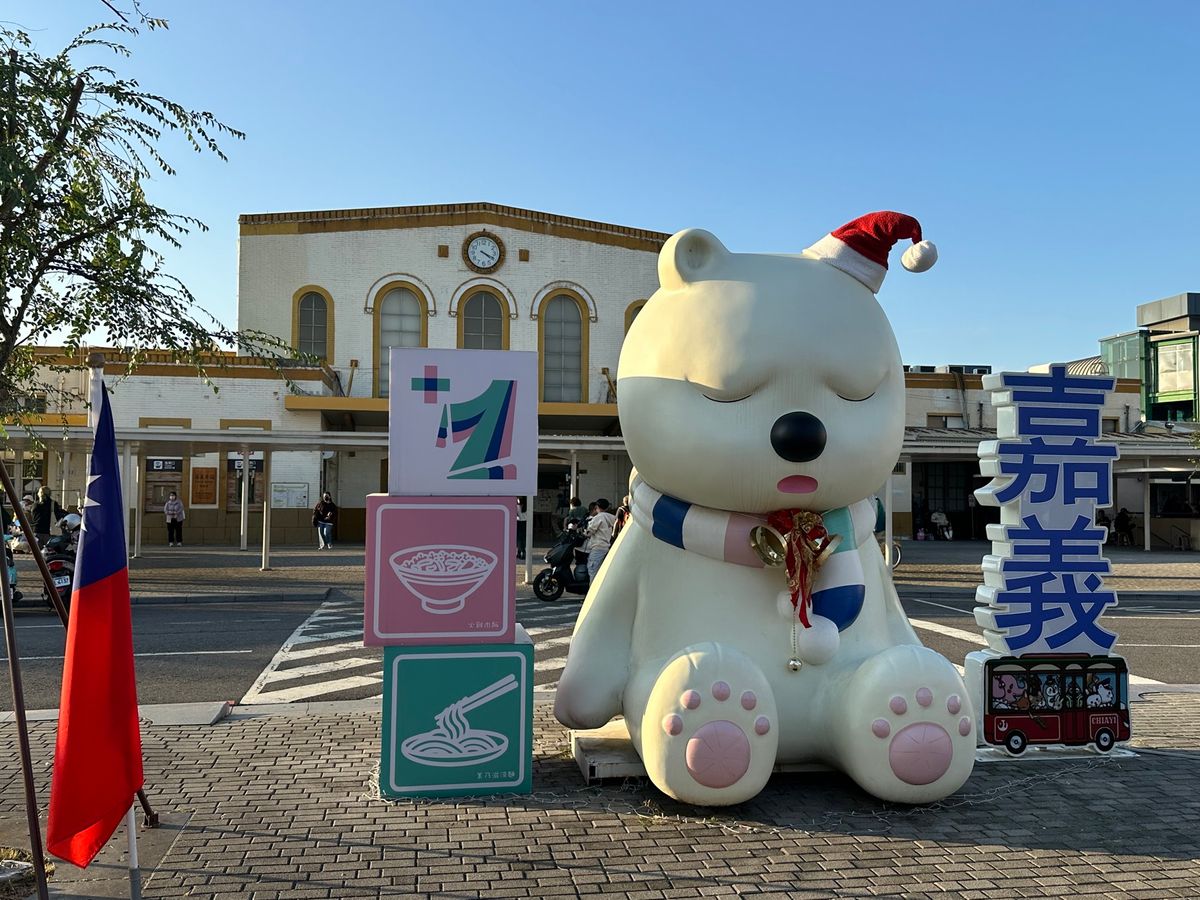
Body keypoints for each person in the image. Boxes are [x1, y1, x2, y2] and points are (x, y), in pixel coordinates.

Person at [583, 498, 617, 583]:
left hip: (598, 547)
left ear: (597, 507)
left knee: (593, 570)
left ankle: (592, 592)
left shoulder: (598, 517)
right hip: (606, 546)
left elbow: (589, 531)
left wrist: (583, 532)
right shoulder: (611, 517)